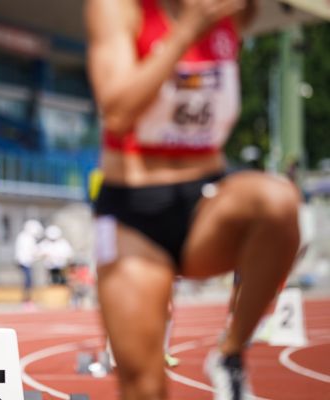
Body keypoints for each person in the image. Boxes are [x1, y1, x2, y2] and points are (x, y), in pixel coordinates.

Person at [86, 1, 301, 399]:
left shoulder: (232, 10)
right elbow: (116, 111)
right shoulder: (117, 9)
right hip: (133, 211)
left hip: (206, 199)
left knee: (279, 201)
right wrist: (184, 32)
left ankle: (230, 353)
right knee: (145, 386)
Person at [15, 219, 43, 306]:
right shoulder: (26, 238)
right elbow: (32, 252)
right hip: (24, 263)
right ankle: (27, 300)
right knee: (28, 282)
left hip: (26, 262)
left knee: (29, 282)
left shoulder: (24, 237)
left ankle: (28, 299)